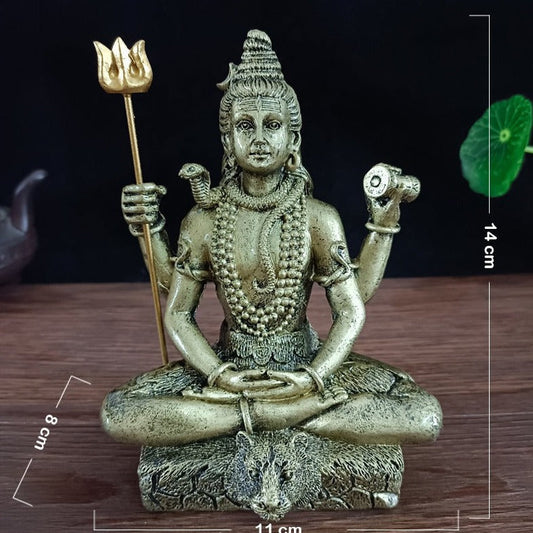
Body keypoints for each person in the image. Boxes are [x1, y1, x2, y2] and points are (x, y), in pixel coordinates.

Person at [101, 30, 441, 448]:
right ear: (228, 140)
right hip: (228, 367)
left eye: (273, 125)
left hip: (304, 364)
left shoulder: (318, 218)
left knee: (423, 414)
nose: (259, 139)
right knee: (119, 410)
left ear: (292, 138)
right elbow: (178, 312)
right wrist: (219, 374)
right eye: (245, 126)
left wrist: (313, 376)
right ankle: (289, 417)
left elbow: (351, 309)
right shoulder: (204, 220)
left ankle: (245, 418)